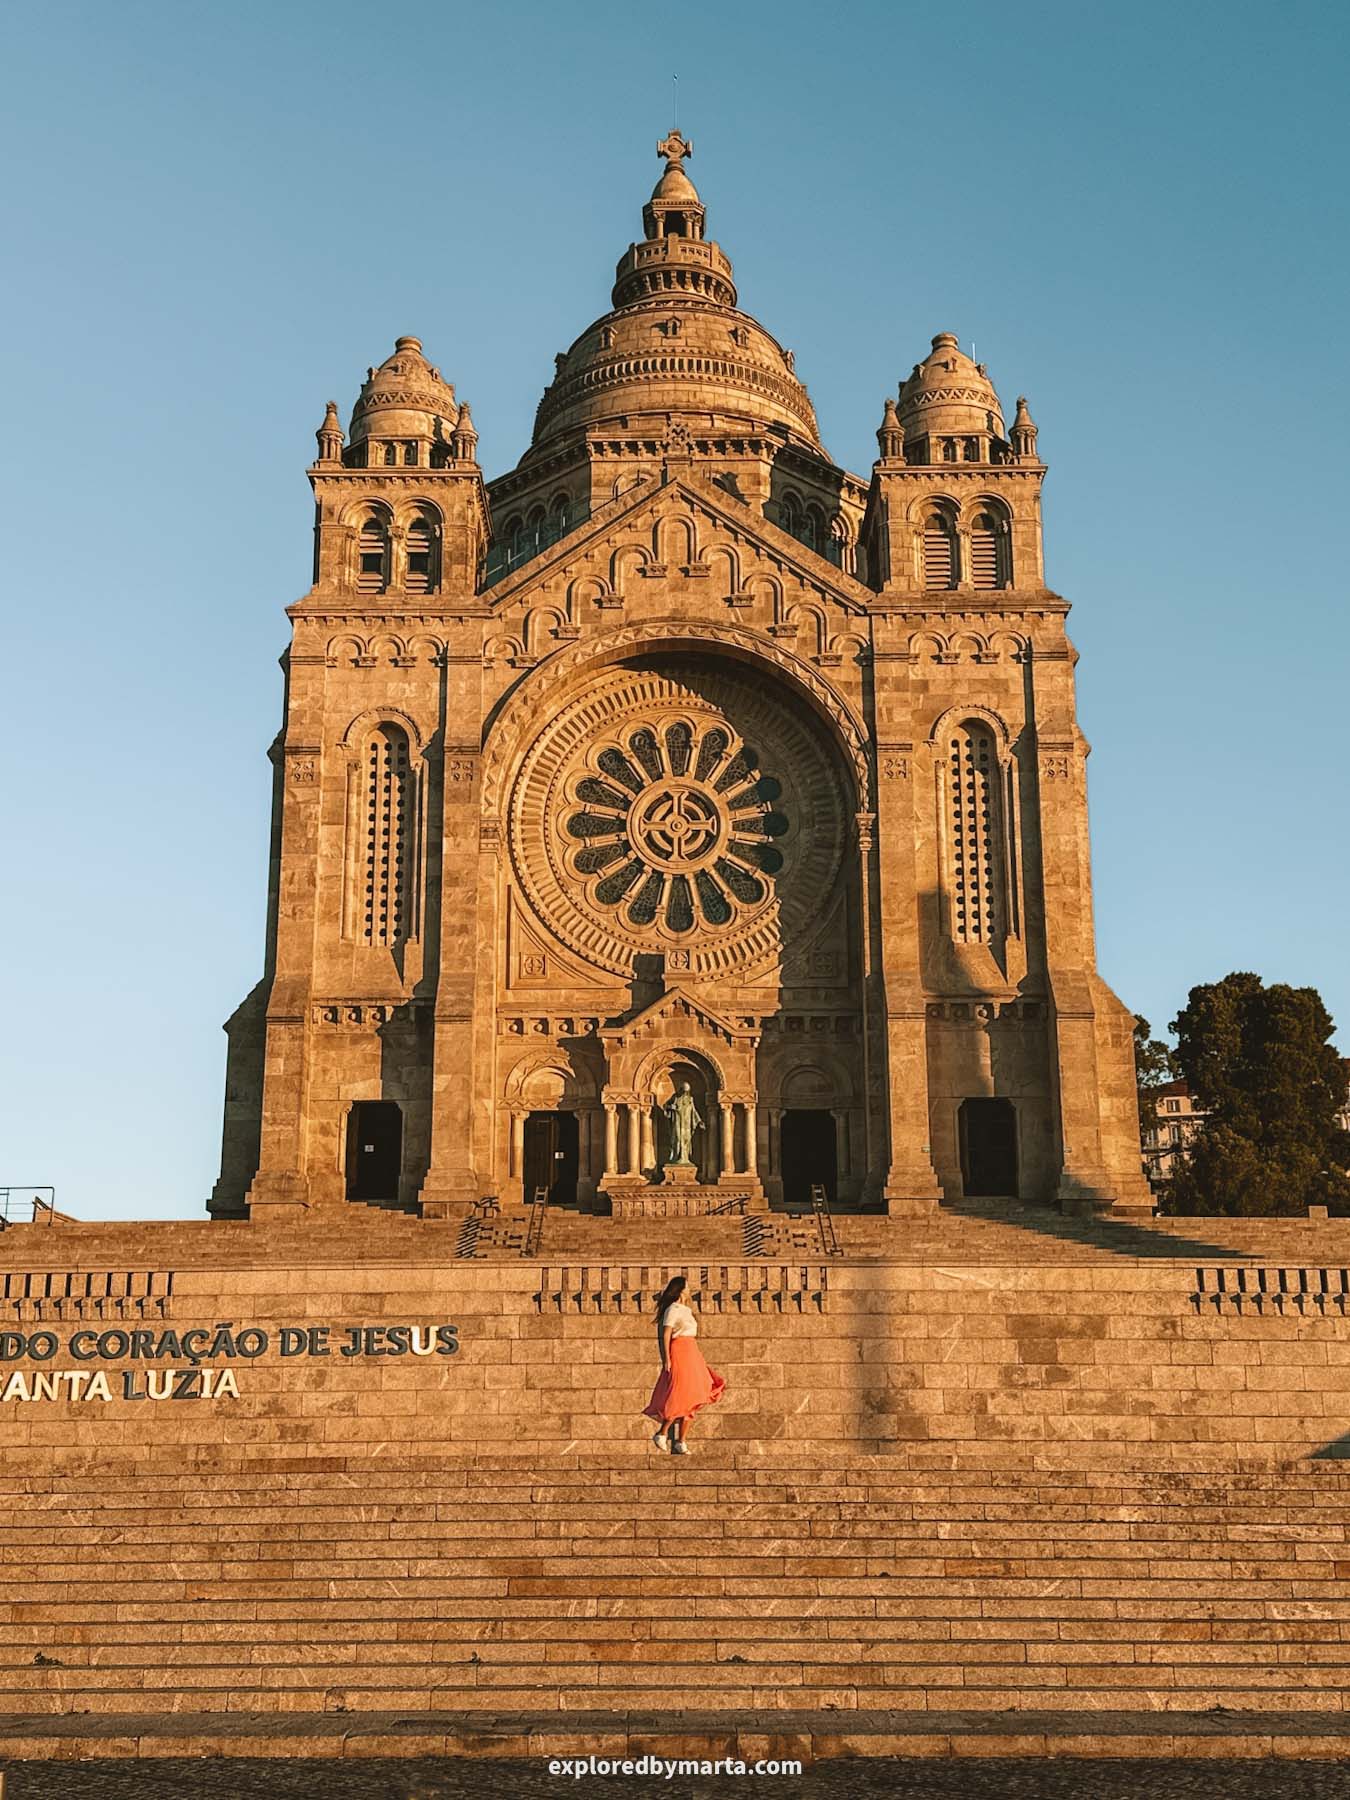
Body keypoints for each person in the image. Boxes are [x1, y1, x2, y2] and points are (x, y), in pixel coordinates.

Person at [643, 1275, 724, 1455]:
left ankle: (681, 1441)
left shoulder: (686, 1310)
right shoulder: (673, 1309)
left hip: (692, 1351)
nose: (689, 1290)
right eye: (687, 1287)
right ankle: (662, 1433)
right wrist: (666, 1358)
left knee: (697, 1394)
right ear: (680, 1290)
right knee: (680, 1394)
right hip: (679, 1350)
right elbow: (665, 1335)